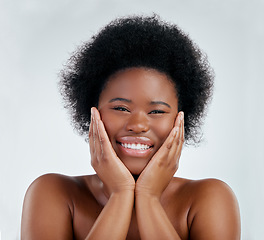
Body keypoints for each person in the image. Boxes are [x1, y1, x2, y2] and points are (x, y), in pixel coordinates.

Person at [21, 14, 241, 240]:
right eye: (121, 108)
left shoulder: (209, 199)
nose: (137, 125)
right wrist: (120, 193)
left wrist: (148, 197)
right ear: (92, 111)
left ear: (181, 120)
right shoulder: (53, 193)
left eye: (157, 111)